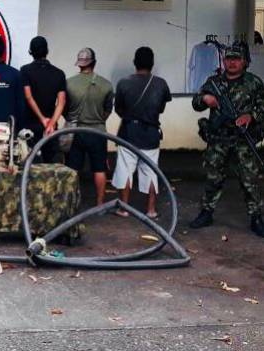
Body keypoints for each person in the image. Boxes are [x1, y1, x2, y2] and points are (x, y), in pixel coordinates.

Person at [189, 45, 264, 237]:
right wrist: (205, 98)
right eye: (229, 59)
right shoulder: (214, 82)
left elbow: (262, 106)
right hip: (219, 139)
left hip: (243, 140)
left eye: (236, 59)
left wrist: (250, 116)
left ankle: (256, 217)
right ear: (224, 61)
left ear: (244, 62)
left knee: (250, 180)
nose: (232, 62)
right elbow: (196, 103)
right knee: (213, 178)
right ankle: (206, 212)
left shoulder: (254, 83)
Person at [111, 47, 172, 219]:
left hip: (129, 132)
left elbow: (119, 109)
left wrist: (131, 118)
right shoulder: (161, 84)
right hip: (151, 132)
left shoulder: (123, 82)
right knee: (151, 171)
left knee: (125, 170)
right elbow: (161, 108)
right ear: (152, 64)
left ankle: (124, 208)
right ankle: (151, 210)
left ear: (134, 62)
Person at [65, 48, 114, 206]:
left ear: (79, 64)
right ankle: (100, 204)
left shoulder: (69, 83)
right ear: (94, 63)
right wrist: (98, 119)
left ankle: (72, 203)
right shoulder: (106, 85)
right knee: (99, 169)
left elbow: (64, 109)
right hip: (98, 132)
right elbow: (108, 110)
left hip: (75, 132)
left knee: (73, 169)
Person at [20, 36, 66, 163]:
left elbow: (28, 97)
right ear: (47, 51)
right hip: (51, 129)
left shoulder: (25, 71)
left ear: (30, 52)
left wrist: (42, 119)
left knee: (31, 167)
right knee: (51, 168)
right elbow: (61, 103)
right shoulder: (59, 73)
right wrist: (51, 123)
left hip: (31, 127)